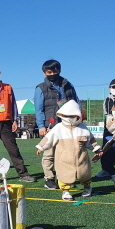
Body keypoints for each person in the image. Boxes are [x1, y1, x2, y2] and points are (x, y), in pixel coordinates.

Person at [0, 63, 35, 183]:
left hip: (6, 123)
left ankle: (23, 174)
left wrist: (15, 120)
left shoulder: (8, 87)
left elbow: (13, 105)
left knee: (13, 149)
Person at [36, 100, 99, 200]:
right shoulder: (58, 128)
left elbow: (90, 140)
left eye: (72, 116)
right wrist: (41, 147)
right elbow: (49, 138)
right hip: (63, 160)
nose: (69, 118)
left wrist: (96, 149)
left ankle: (87, 187)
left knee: (84, 173)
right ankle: (65, 191)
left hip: (81, 157)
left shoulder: (83, 128)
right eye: (67, 116)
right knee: (63, 175)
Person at [34, 59, 79, 189]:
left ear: (59, 70)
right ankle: (49, 178)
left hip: (68, 124)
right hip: (51, 125)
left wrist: (77, 119)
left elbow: (76, 102)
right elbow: (39, 109)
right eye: (49, 71)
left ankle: (64, 177)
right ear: (44, 73)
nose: (53, 73)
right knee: (49, 153)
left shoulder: (68, 85)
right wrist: (41, 126)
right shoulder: (40, 88)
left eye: (55, 70)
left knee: (66, 153)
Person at [95, 78, 115, 178]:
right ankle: (106, 169)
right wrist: (113, 123)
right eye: (114, 87)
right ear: (109, 88)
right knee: (106, 149)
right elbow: (109, 115)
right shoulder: (107, 101)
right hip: (109, 127)